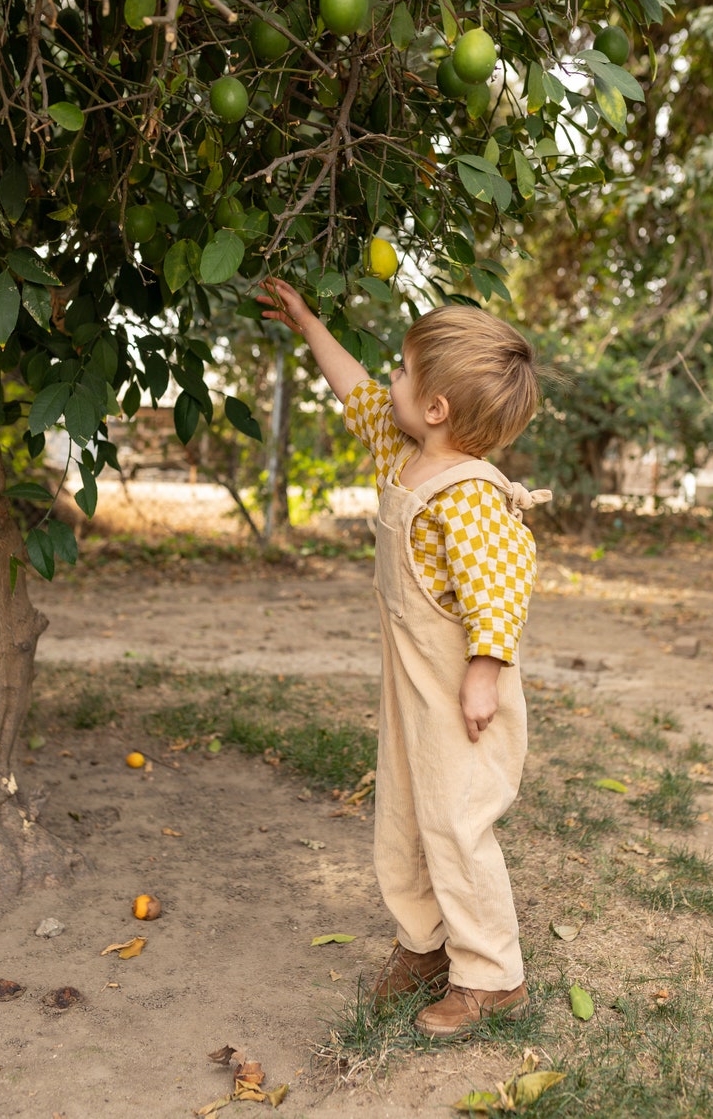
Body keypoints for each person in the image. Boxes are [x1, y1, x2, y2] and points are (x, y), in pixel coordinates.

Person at [257, 277, 552, 1038]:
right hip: (412, 691)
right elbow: (357, 391)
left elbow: (503, 584)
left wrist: (484, 672)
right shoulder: (406, 451)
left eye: (402, 369)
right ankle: (425, 944)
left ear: (436, 408)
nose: (387, 376)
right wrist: (310, 322)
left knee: (455, 823)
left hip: (462, 697)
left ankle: (494, 977)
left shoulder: (469, 493)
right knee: (405, 817)